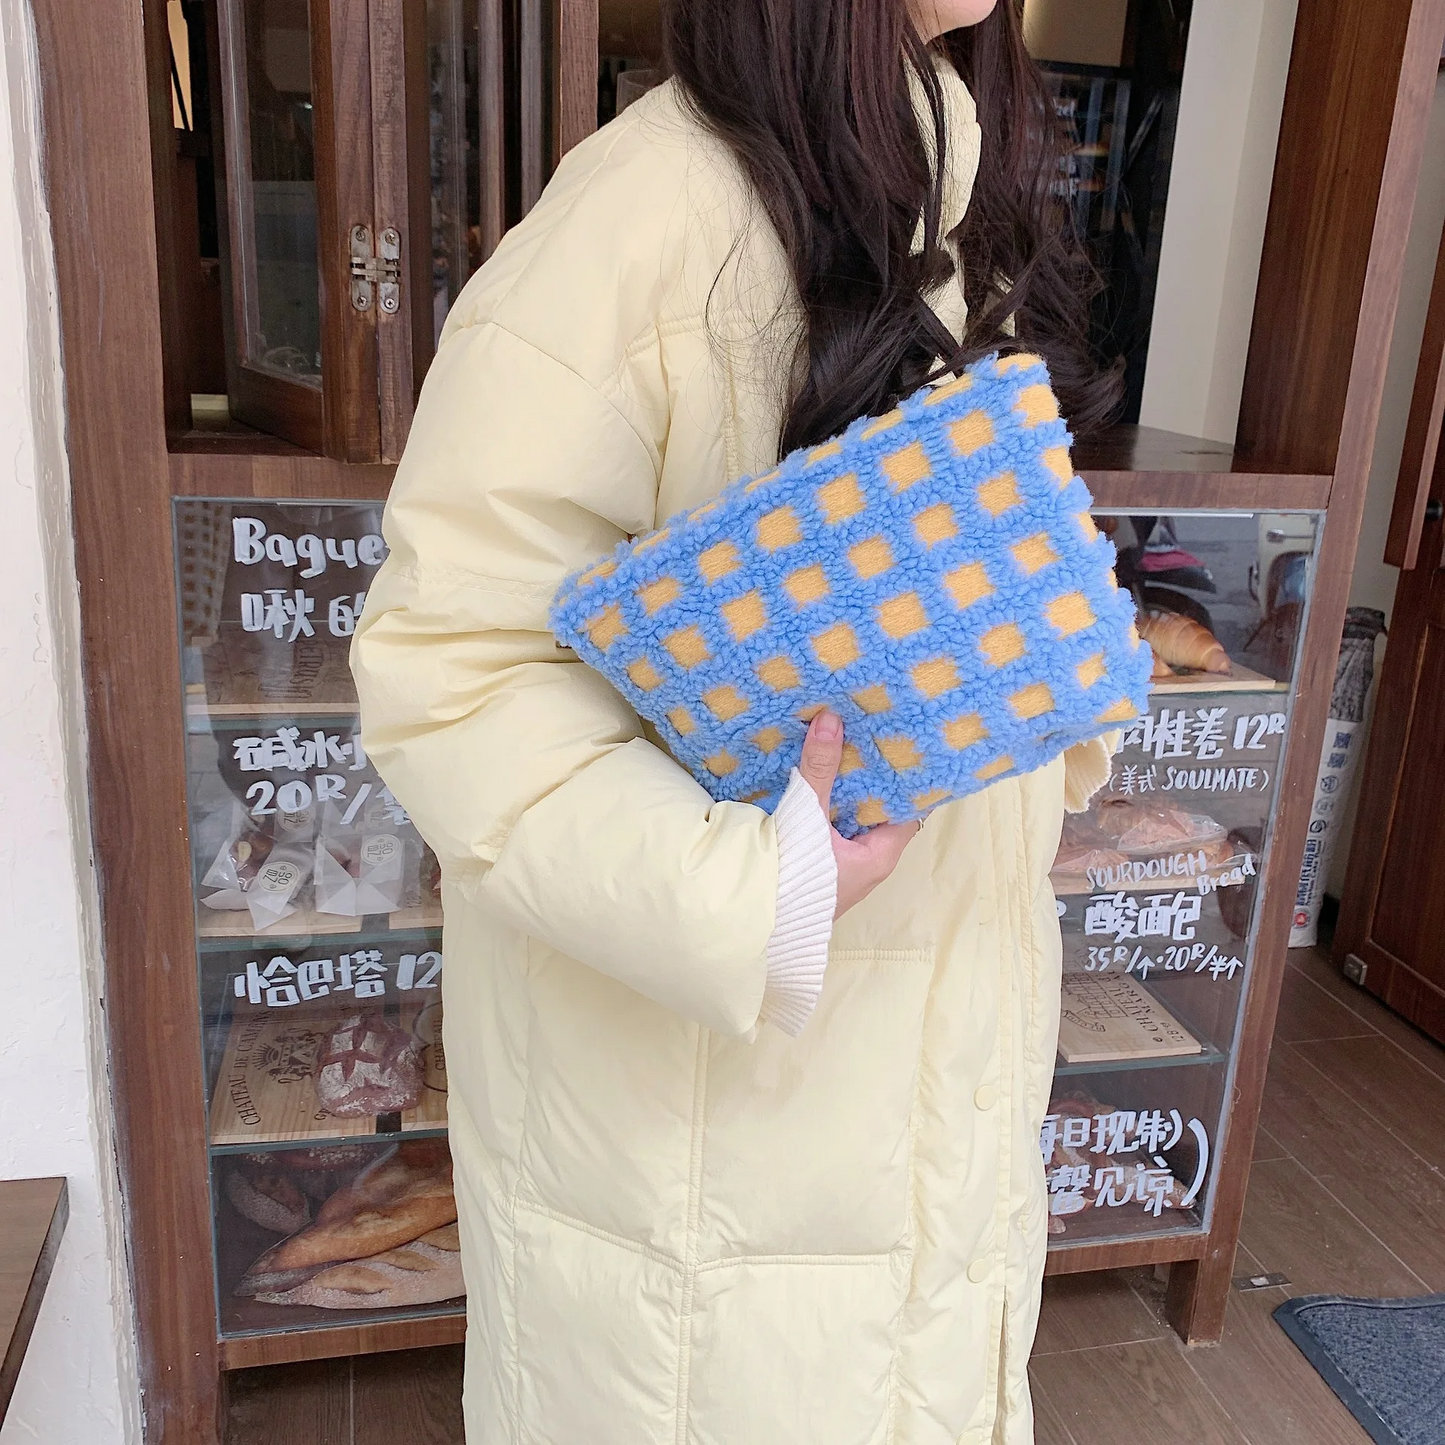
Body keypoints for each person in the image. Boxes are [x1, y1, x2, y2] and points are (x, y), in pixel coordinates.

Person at [351, 1, 1120, 1440]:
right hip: (694, 1171)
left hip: (915, 1115)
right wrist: (753, 894)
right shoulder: (645, 216)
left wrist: (1039, 691)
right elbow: (452, 664)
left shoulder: (946, 197)